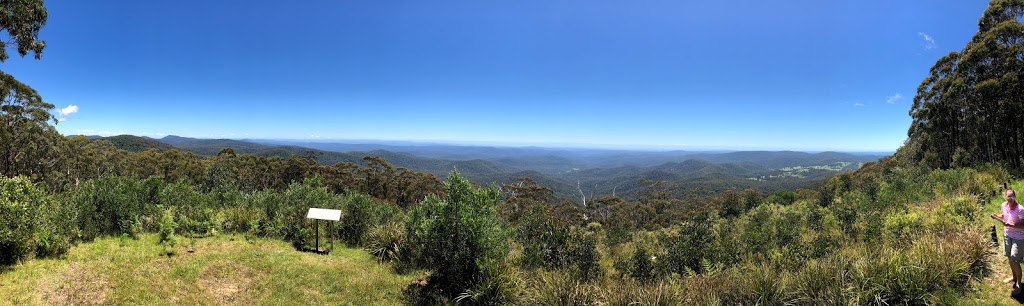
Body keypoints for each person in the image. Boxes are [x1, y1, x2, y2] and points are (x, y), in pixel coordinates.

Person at [992, 188, 1024, 289]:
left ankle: (1019, 283)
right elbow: (1004, 216)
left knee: (1015, 260)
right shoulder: (1003, 205)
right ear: (1005, 196)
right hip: (1007, 235)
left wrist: (1011, 225)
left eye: (1012, 196)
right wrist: (996, 216)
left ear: (1015, 196)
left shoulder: (1020, 209)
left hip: (1018, 238)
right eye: (1008, 196)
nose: (1010, 198)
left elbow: (1023, 224)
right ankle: (1014, 277)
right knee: (1010, 258)